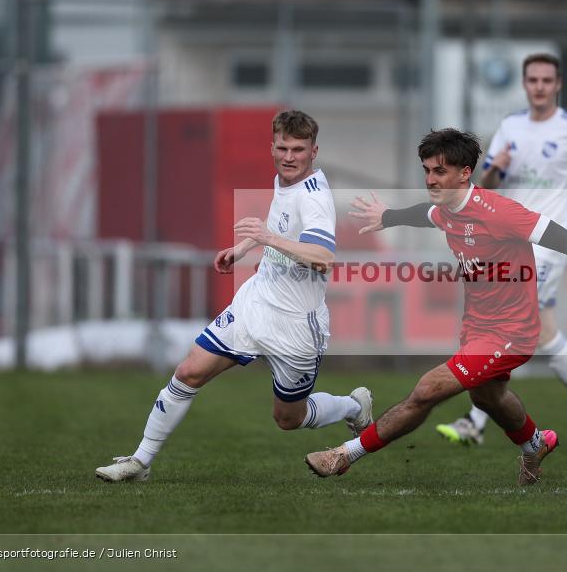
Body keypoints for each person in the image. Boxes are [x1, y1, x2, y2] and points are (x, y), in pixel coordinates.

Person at [304, 129, 567, 485]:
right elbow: (427, 214)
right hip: (477, 326)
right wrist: (389, 216)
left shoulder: (500, 213)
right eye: (426, 170)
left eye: (439, 172)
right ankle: (535, 443)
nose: (430, 179)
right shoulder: (447, 209)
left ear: (465, 172)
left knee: (426, 391)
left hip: (512, 332)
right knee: (489, 398)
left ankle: (344, 455)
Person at [95, 110, 372, 482]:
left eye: (298, 150)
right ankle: (140, 462)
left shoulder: (315, 198)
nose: (289, 156)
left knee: (288, 418)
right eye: (282, 148)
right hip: (255, 303)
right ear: (272, 147)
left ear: (314, 151)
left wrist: (266, 238)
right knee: (189, 372)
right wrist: (244, 247)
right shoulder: (285, 180)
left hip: (295, 326)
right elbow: (279, 225)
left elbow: (323, 258)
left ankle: (353, 407)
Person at [436, 53, 567, 450]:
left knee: (503, 322)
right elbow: (482, 185)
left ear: (558, 85)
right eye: (532, 80)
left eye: (546, 80)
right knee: (543, 332)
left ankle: (475, 419)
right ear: (524, 84)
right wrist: (496, 167)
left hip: (549, 246)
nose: (539, 86)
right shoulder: (510, 127)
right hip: (509, 244)